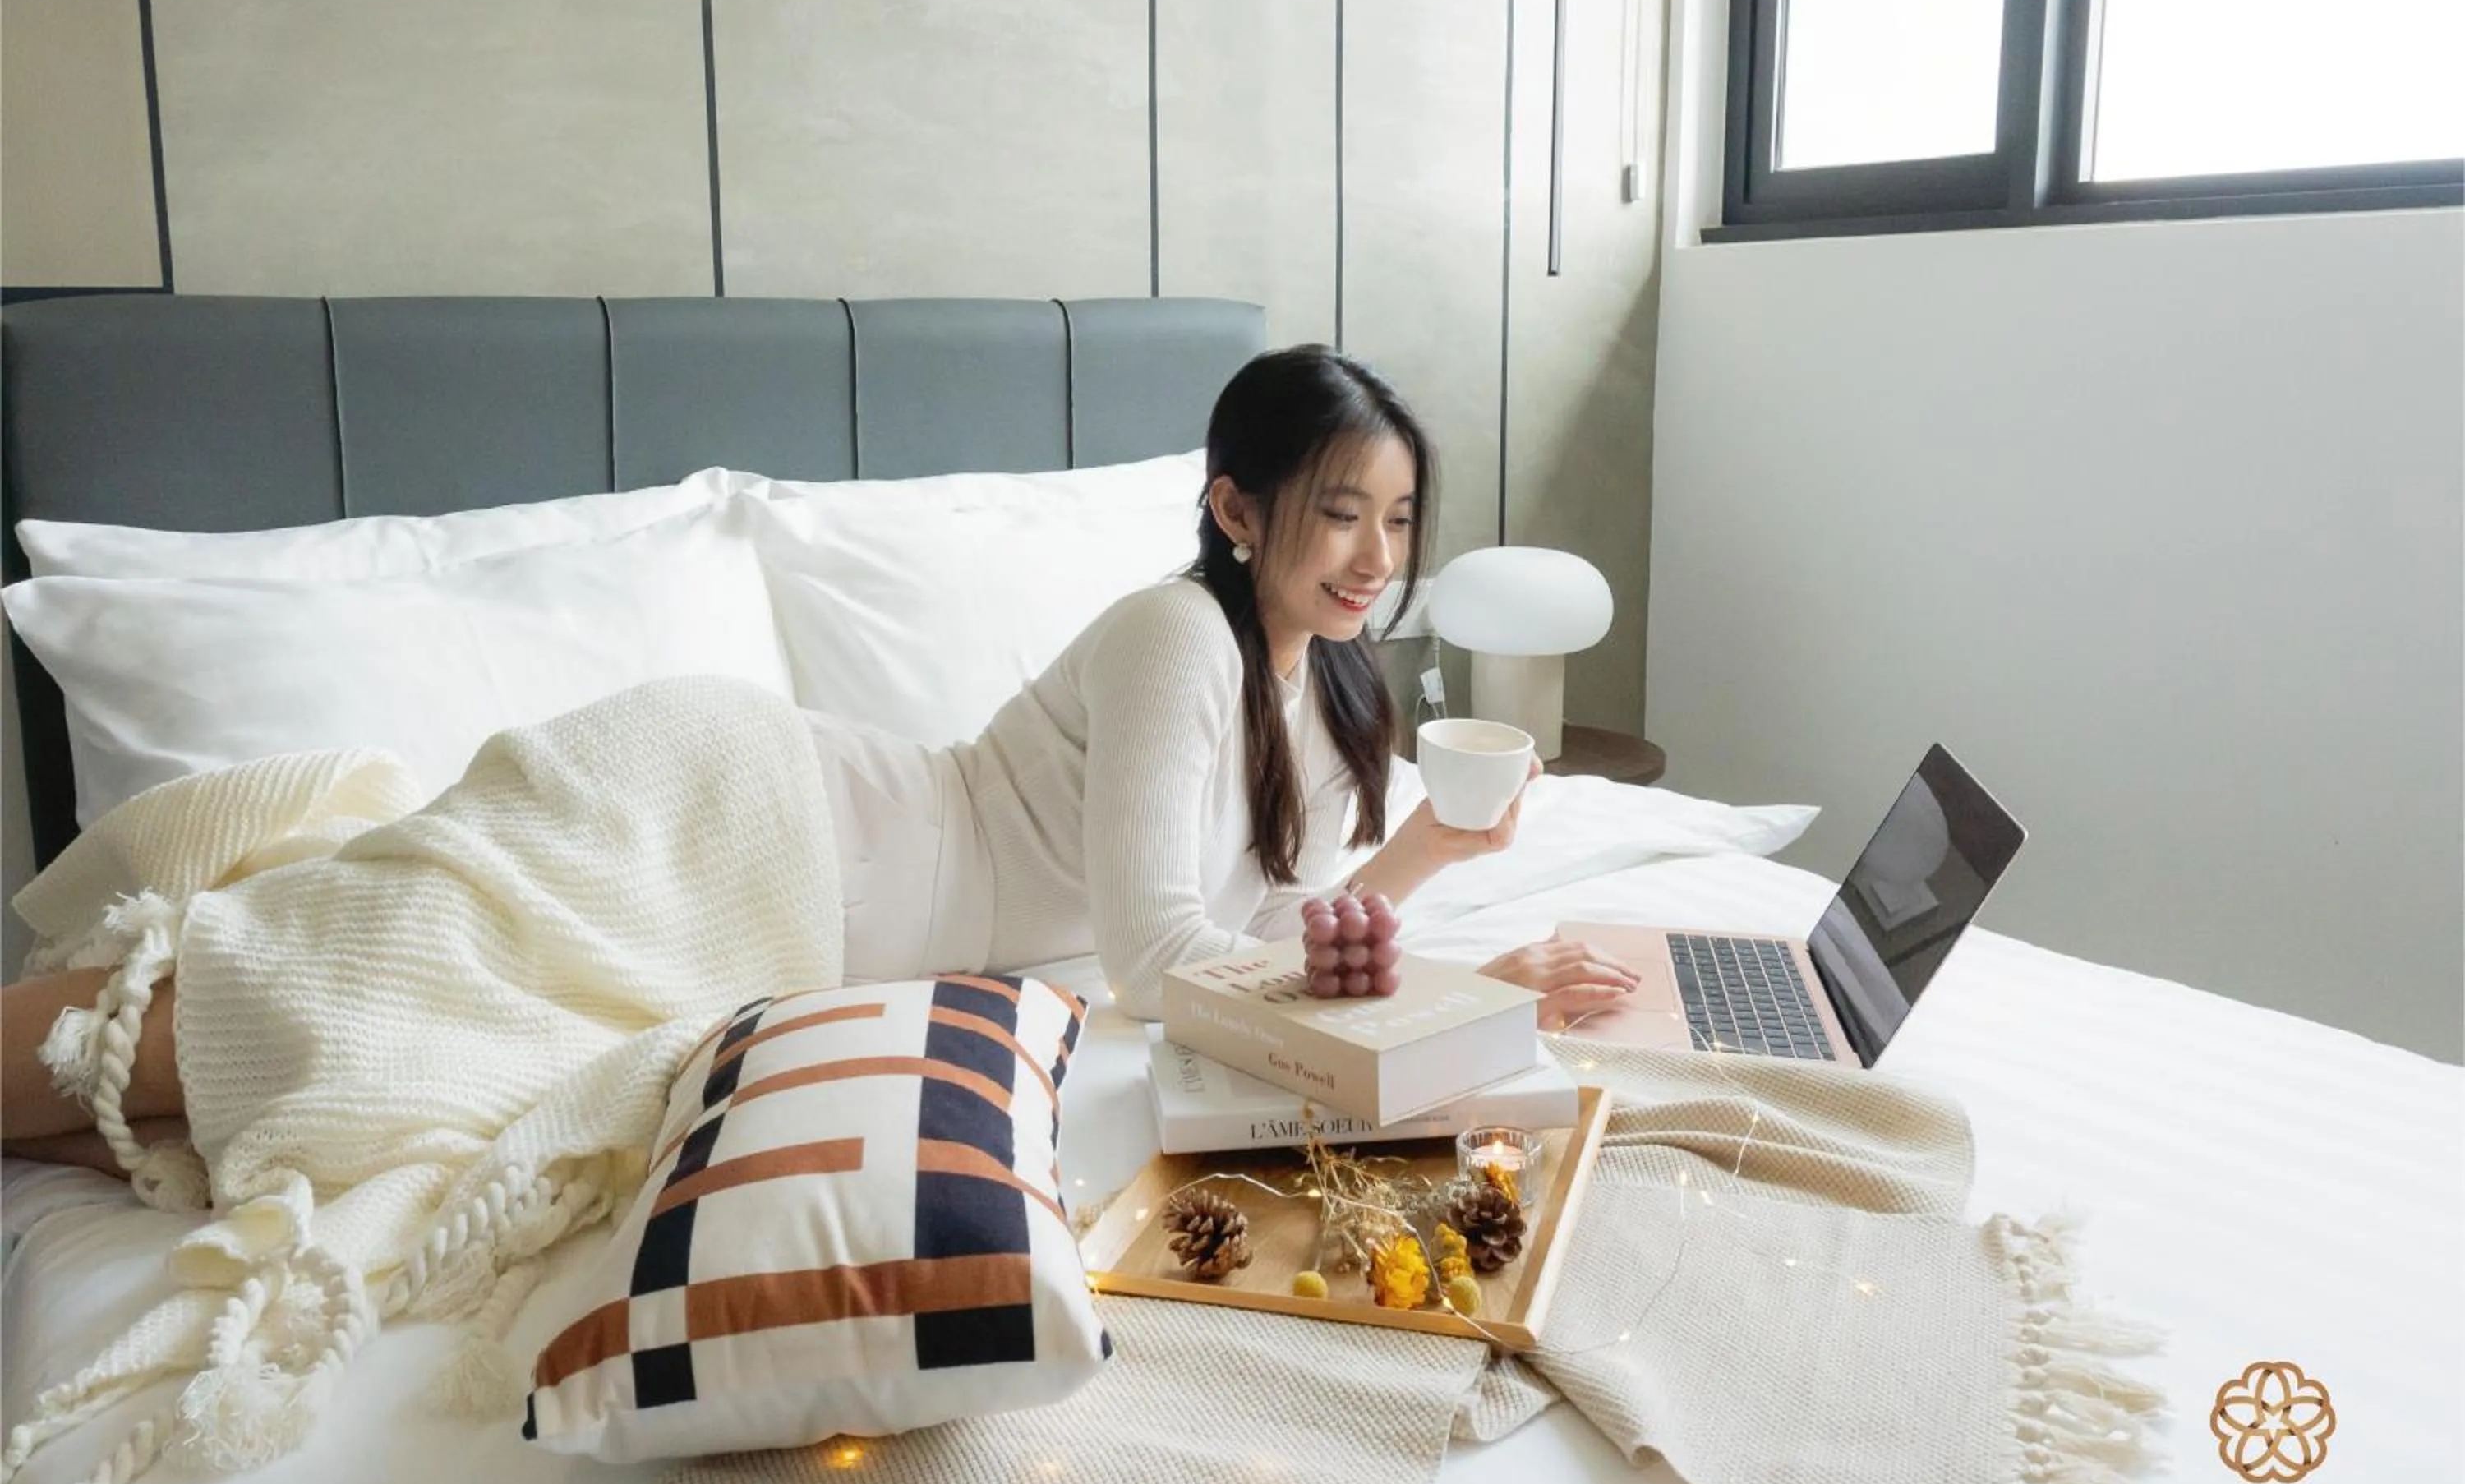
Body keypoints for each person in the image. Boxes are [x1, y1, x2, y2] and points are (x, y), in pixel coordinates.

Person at [2, 344, 1641, 1178]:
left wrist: (1429, 874)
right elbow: (1157, 961)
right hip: (746, 824)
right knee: (297, 995)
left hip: (801, 928)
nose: (1375, 554)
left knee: (310, 1081)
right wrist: (1436, 1004)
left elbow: (1262, 913)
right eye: (1340, 509)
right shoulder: (1175, 637)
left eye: (1400, 516)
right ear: (1234, 505)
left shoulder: (1328, 686)